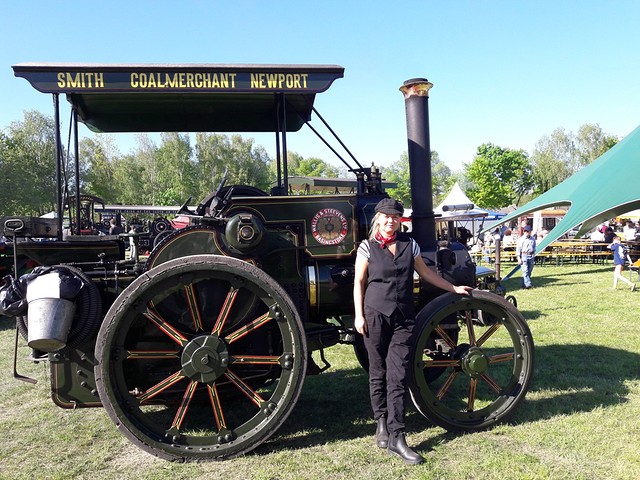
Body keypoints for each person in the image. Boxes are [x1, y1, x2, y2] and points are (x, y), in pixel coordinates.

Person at [353, 198, 473, 465]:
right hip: (374, 316)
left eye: (395, 217)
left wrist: (452, 288)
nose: (390, 221)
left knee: (397, 375)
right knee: (378, 372)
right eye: (386, 217)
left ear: (400, 220)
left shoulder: (410, 245)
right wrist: (359, 315)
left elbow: (426, 273)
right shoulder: (366, 247)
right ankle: (381, 422)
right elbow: (358, 282)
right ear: (378, 219)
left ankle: (397, 437)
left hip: (404, 319)